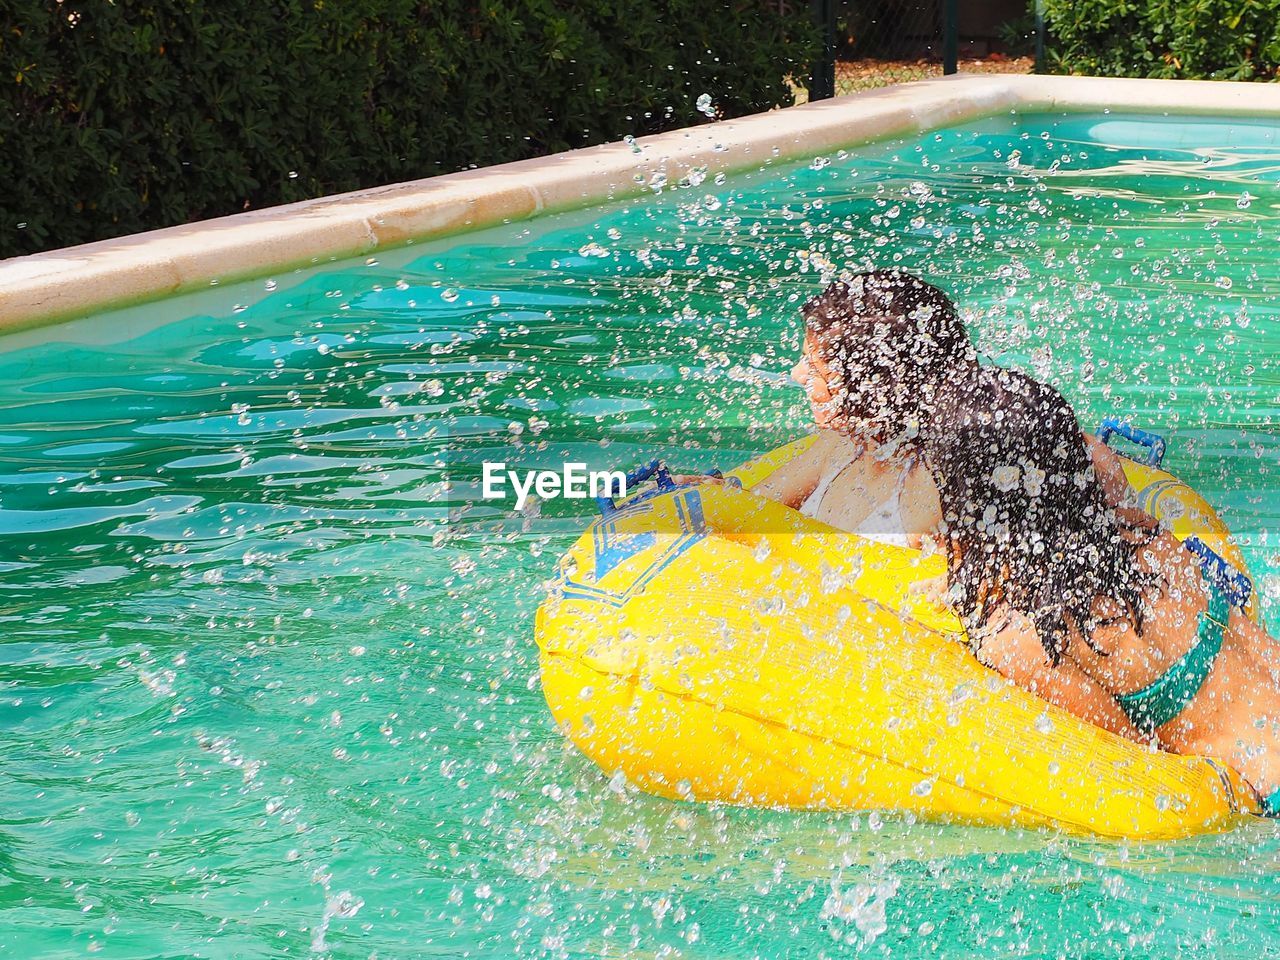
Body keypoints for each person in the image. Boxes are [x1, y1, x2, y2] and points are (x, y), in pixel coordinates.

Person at [790, 271, 1280, 814]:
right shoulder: (1143, 538)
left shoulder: (1025, 639)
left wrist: (965, 593)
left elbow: (1136, 758)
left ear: (967, 507)